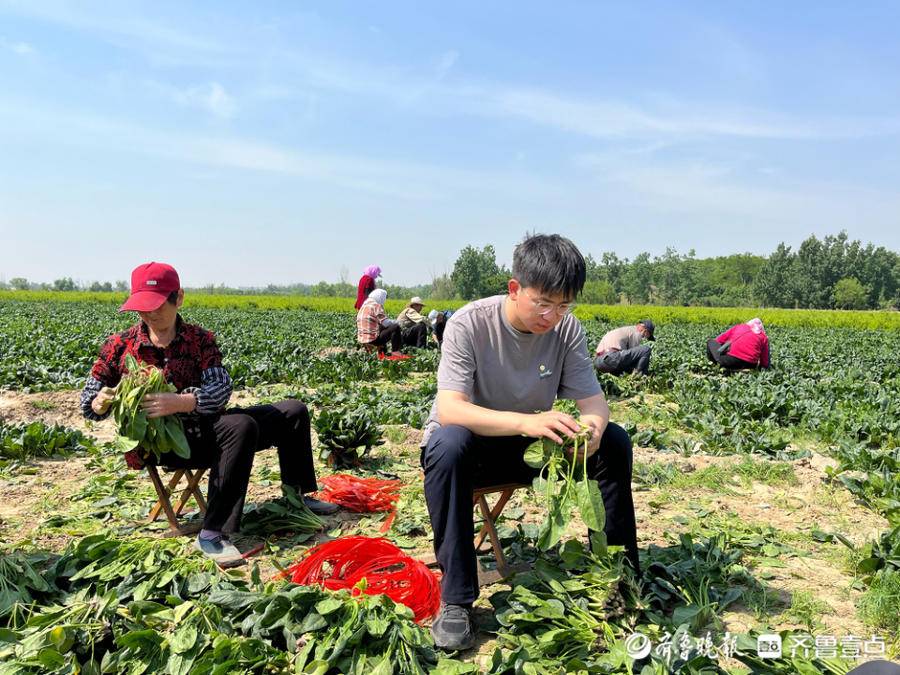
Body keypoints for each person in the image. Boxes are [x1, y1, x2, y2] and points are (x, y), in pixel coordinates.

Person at [420, 234, 639, 651]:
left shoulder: (567, 330)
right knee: (448, 443)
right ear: (515, 288)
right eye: (543, 302)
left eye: (563, 305)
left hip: (531, 446)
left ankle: (620, 577)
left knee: (614, 441)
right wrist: (526, 421)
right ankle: (457, 600)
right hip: (474, 448)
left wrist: (590, 431)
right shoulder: (469, 323)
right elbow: (450, 409)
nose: (552, 315)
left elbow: (593, 401)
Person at [80, 262, 338, 569]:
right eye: (142, 308)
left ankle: (298, 497)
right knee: (240, 426)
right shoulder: (119, 346)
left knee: (293, 411)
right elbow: (88, 400)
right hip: (165, 444)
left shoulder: (199, 340)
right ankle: (213, 532)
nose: (149, 315)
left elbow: (220, 389)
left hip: (204, 425)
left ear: (179, 299)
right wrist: (99, 402)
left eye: (157, 306)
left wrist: (181, 401)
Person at [356, 288, 401, 353]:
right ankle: (396, 353)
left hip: (362, 339)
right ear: (380, 297)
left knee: (381, 327)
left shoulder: (364, 306)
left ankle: (382, 352)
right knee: (395, 327)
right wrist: (398, 322)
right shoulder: (376, 305)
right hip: (372, 340)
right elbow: (385, 323)